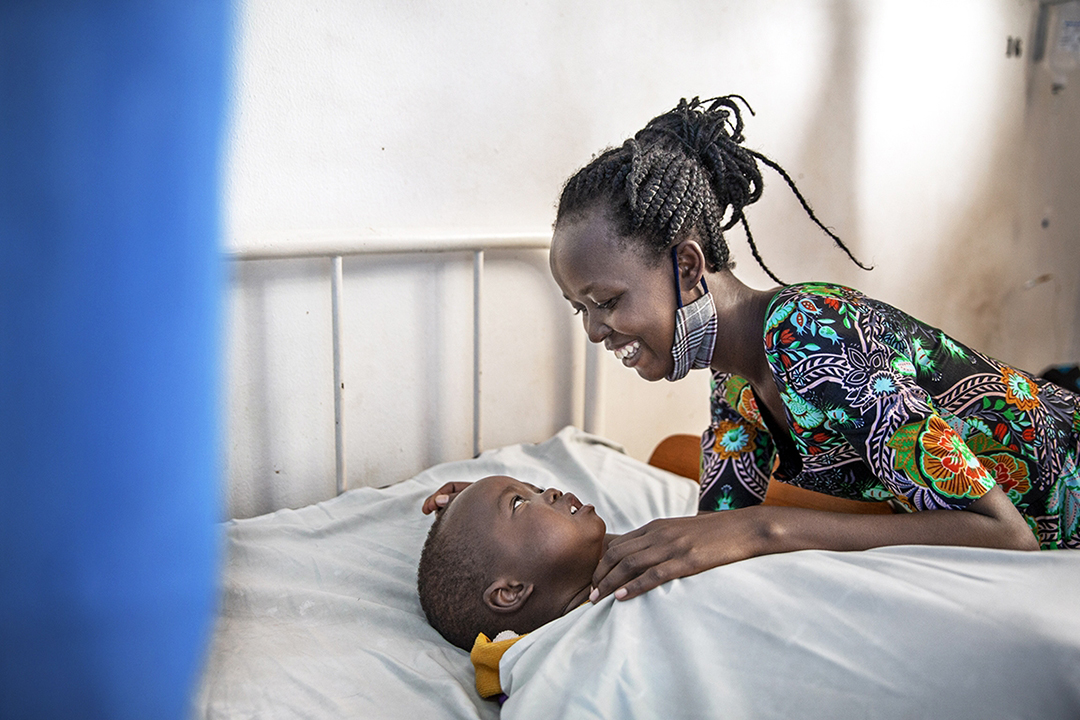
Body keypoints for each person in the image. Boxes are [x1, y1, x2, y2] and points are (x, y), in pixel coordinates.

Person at [424, 96, 1079, 608]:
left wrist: (769, 529)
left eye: (607, 301)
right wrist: (501, 532)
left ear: (687, 267)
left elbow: (1004, 534)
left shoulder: (812, 339)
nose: (595, 331)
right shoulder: (734, 379)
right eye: (580, 311)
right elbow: (709, 534)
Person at [417, 475, 614, 651]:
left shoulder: (627, 568)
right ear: (510, 593)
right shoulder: (574, 660)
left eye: (538, 490)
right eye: (518, 503)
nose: (552, 492)